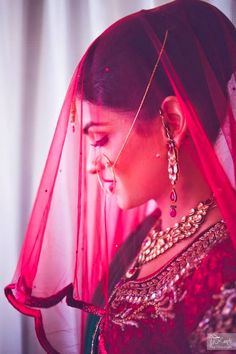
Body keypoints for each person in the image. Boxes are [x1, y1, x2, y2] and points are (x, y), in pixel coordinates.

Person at [5, 0, 236, 353]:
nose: (90, 164)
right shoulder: (142, 240)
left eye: (99, 139)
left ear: (171, 122)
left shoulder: (226, 264)